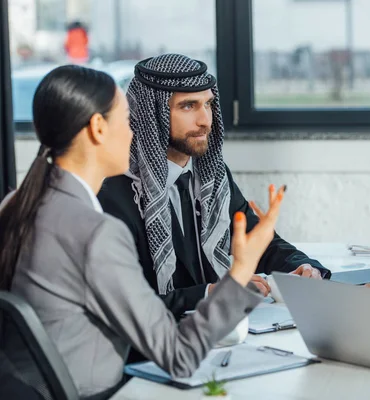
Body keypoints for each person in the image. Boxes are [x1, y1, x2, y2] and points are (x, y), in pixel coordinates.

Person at [0, 65, 283, 399]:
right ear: (97, 129)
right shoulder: (97, 233)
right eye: (126, 120)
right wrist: (239, 273)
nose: (136, 132)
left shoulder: (15, 204)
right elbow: (179, 356)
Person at [97, 54, 329, 318]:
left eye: (208, 104)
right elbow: (125, 303)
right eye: (188, 106)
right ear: (152, 114)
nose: (205, 120)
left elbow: (257, 243)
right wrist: (212, 293)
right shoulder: (114, 193)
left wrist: (305, 269)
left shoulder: (213, 176)